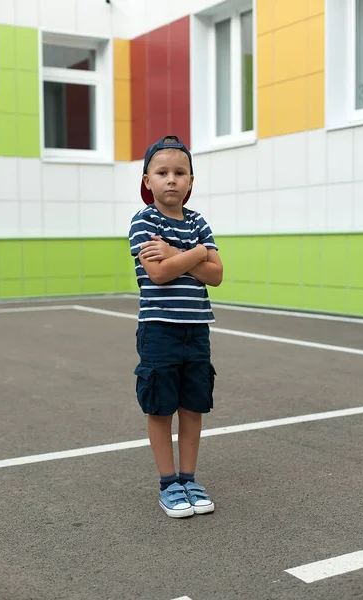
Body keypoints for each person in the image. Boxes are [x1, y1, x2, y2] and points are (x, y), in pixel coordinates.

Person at [128, 135, 223, 518]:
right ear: (147, 180)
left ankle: (189, 478)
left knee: (192, 406)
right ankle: (169, 483)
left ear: (191, 181)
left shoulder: (199, 221)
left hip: (196, 330)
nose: (172, 179)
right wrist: (197, 253)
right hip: (160, 331)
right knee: (161, 407)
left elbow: (216, 276)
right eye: (162, 172)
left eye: (180, 173)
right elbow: (159, 273)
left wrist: (178, 252)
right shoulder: (144, 220)